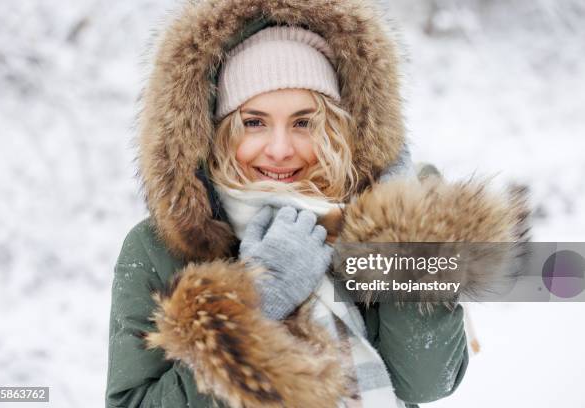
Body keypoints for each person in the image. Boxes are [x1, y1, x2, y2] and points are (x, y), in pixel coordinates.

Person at [105, 1, 530, 407]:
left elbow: (426, 380)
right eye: (253, 122)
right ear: (215, 130)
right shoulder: (157, 249)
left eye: (304, 122)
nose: (279, 148)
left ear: (337, 127)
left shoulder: (362, 223)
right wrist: (255, 308)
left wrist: (405, 232)